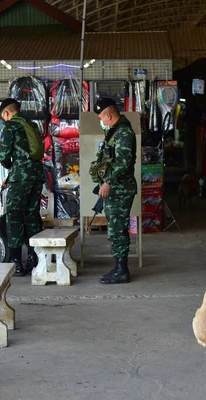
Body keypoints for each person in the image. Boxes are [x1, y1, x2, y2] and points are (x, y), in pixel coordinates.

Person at [92, 97, 137, 284]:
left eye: (101, 118)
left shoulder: (124, 133)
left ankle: (122, 270)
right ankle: (119, 267)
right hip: (116, 189)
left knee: (118, 230)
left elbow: (124, 163)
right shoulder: (115, 132)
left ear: (109, 116)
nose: (101, 122)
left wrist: (108, 182)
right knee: (115, 229)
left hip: (120, 189)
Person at [0, 99, 44, 277]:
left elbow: (4, 155)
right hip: (36, 176)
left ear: (6, 113)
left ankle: (17, 263)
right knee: (32, 215)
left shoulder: (10, 127)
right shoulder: (31, 125)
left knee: (14, 216)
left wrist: (11, 168)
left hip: (21, 179)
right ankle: (35, 258)